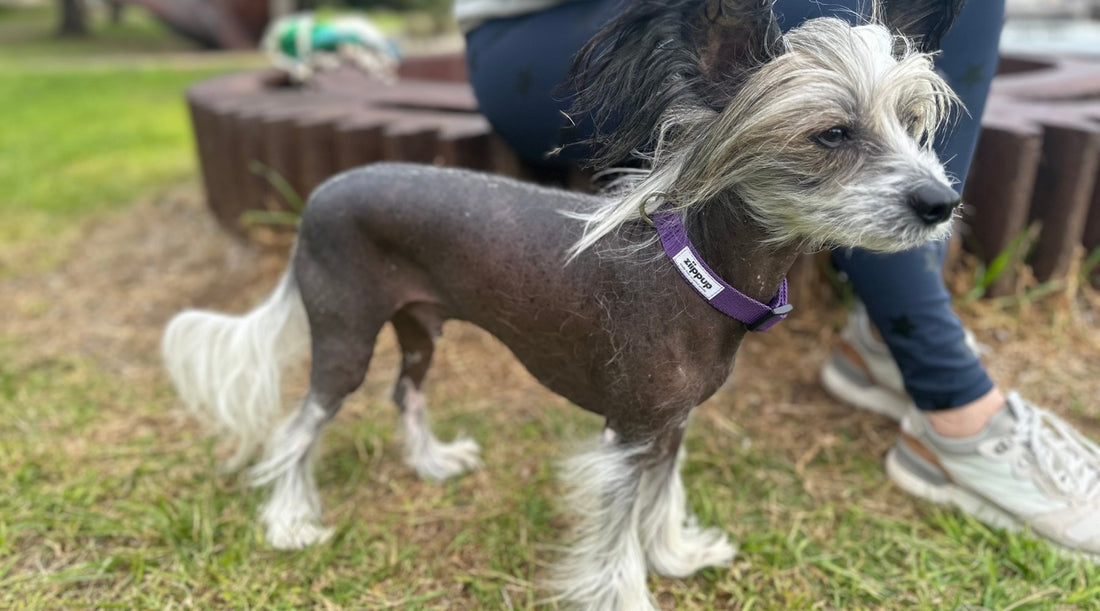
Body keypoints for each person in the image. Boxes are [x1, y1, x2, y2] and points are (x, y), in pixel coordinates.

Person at [453, 0, 1100, 558]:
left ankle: (887, 331)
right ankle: (951, 394)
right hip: (531, 35)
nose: (936, 187)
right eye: (837, 135)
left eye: (910, 128)